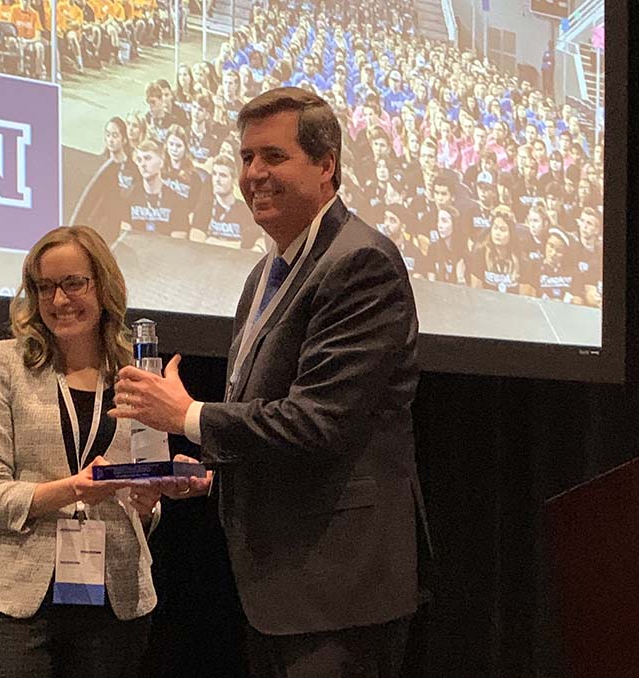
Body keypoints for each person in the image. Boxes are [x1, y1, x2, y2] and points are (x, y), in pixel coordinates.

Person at [110, 87, 424, 678]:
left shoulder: (360, 262)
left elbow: (318, 421)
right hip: (278, 590)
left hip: (338, 591)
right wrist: (207, 476)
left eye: (273, 157)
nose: (254, 173)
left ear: (326, 164)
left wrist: (185, 415)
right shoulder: (265, 273)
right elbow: (271, 421)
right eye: (246, 158)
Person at [0, 226, 161, 678]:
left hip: (117, 599)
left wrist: (149, 505)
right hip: (18, 602)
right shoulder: (3, 364)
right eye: (44, 287)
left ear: (103, 285)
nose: (57, 301)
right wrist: (69, 490)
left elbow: (141, 499)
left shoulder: (136, 372)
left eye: (73, 283)